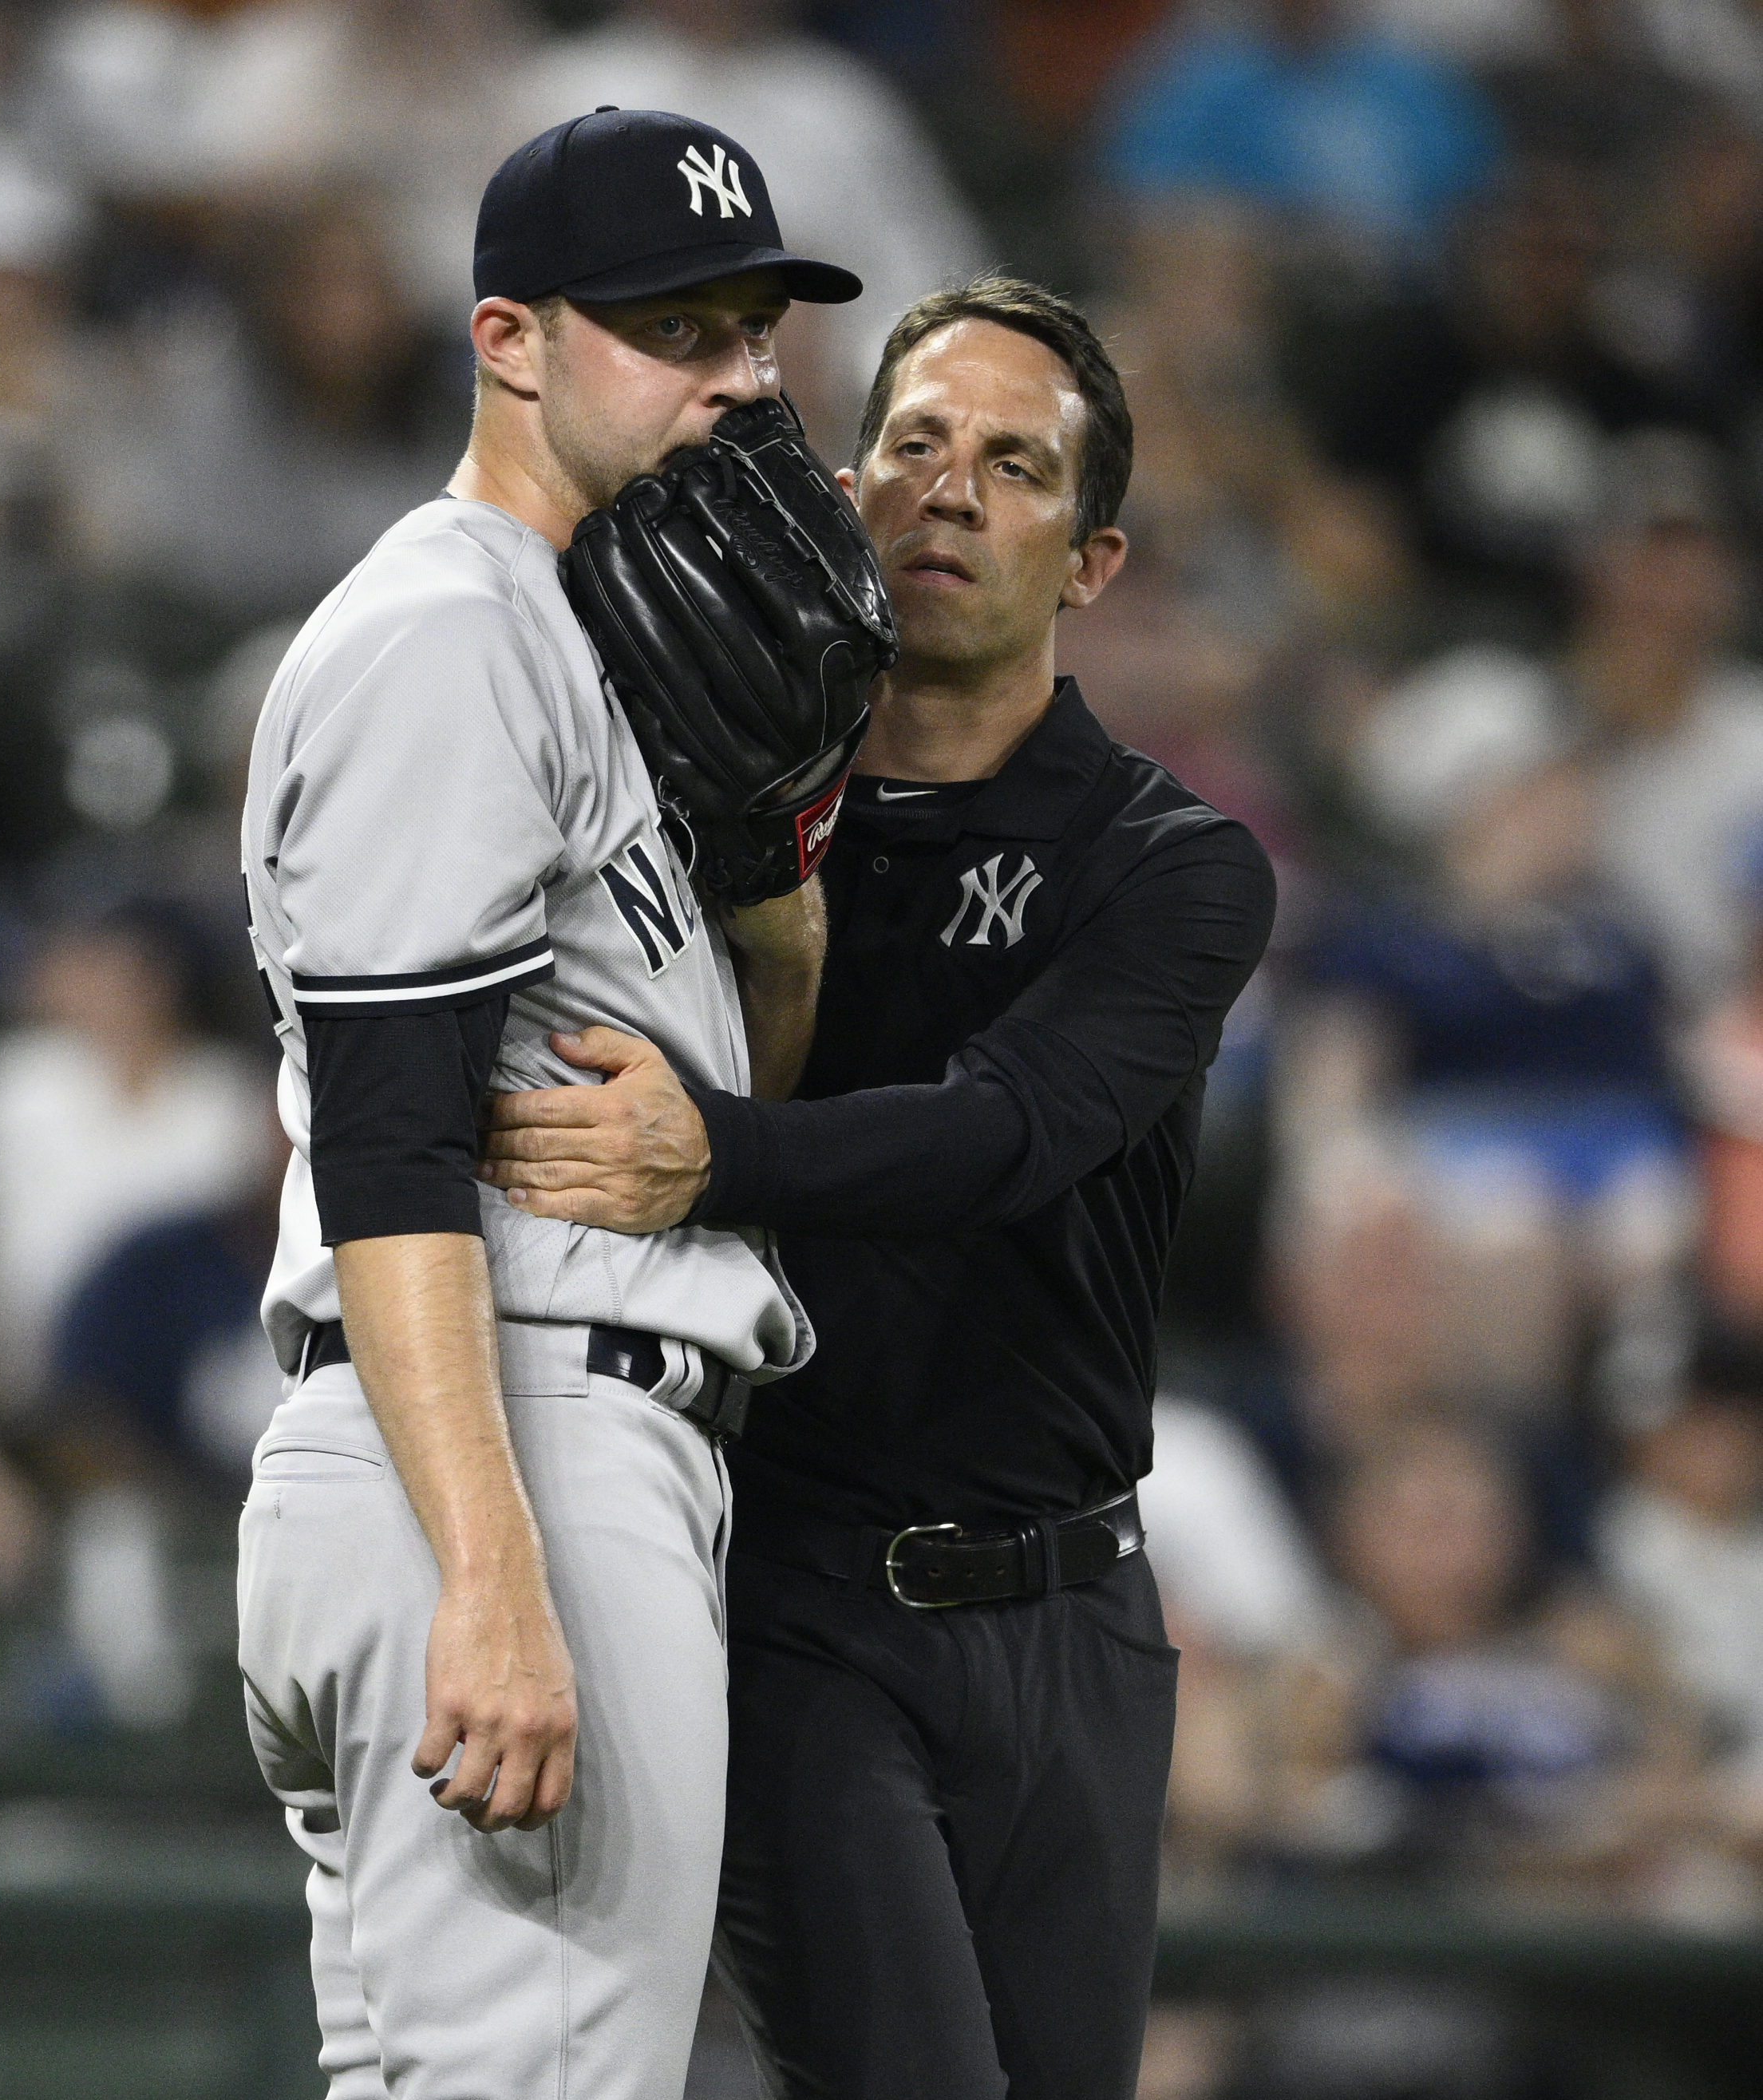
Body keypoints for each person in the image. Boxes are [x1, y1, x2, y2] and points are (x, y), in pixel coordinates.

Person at [476, 279, 1275, 2095]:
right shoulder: (693, 825)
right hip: (794, 1592)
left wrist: (718, 1154)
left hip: (1071, 1611)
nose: (948, 491)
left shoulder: (1168, 861)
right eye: (912, 443)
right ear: (841, 486)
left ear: (1090, 558)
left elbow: (1014, 1126)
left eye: (1012, 464)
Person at [235, 109, 850, 2097]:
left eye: (754, 331)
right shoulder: (449, 630)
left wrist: (763, 842)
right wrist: (495, 1583)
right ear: (509, 338)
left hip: (512, 1438)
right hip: (508, 1446)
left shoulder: (595, 640)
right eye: (676, 331)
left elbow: (763, 1038)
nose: (735, 381)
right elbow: (387, 1140)